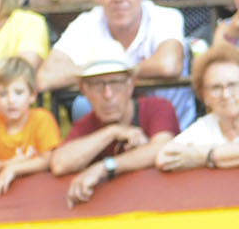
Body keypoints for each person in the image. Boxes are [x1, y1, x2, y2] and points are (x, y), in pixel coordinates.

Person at [38, 0, 185, 96]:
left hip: (167, 116)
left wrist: (100, 71)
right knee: (82, 107)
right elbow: (45, 78)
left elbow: (169, 65)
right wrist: (114, 71)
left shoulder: (166, 17)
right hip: (107, 114)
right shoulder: (86, 22)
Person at [50, 55, 181, 201]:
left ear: (130, 85)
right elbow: (60, 163)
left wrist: (105, 167)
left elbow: (163, 147)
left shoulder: (157, 107)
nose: (108, 94)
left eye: (116, 83)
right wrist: (112, 131)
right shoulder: (86, 123)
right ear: (84, 90)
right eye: (97, 85)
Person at [157, 39, 239, 168]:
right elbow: (163, 158)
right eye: (216, 88)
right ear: (204, 96)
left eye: (232, 85)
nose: (226, 95)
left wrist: (203, 156)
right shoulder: (205, 125)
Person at [0, 54, 61, 188]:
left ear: (32, 95)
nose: (11, 100)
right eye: (3, 94)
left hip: (41, 187)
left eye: (18, 92)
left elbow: (48, 160)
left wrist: (14, 169)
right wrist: (8, 164)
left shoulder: (42, 119)